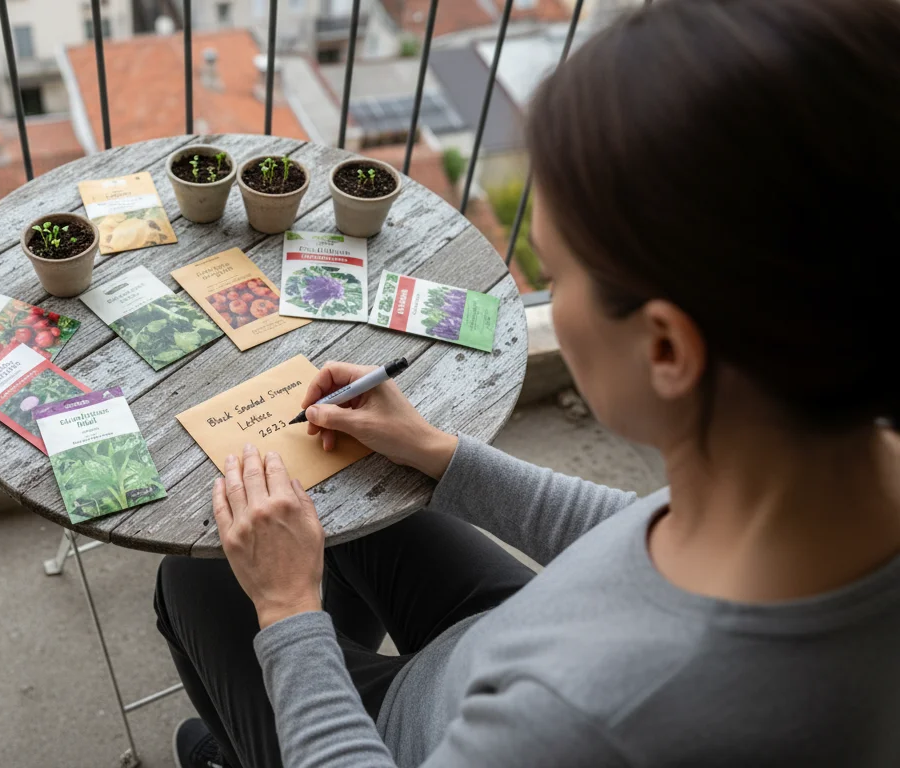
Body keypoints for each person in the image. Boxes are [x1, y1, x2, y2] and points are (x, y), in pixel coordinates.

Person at [155, 0, 900, 765]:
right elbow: (648, 529)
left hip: (420, 731)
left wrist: (287, 611)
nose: (538, 289)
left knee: (198, 582)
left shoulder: (586, 720)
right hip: (507, 637)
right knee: (359, 490)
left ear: (667, 348)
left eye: (553, 271)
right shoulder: (834, 464)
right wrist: (440, 452)